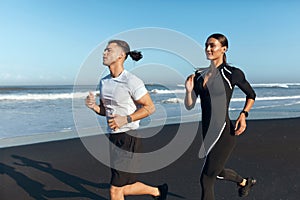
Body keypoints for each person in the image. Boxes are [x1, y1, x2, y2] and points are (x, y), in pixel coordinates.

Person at [85, 40, 168, 200]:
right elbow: (106, 111)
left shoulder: (131, 81)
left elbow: (150, 107)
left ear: (121, 56)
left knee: (115, 190)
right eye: (104, 50)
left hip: (129, 138)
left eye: (109, 50)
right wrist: (94, 107)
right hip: (113, 138)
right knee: (123, 188)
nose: (104, 53)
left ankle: (158, 192)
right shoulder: (104, 82)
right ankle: (157, 191)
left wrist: (127, 119)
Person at [185, 33, 257, 199]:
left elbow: (251, 94)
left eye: (212, 45)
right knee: (217, 172)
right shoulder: (198, 75)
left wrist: (243, 115)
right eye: (206, 45)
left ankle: (245, 182)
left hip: (224, 132)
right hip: (206, 132)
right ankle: (245, 182)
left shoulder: (232, 73)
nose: (208, 49)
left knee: (206, 178)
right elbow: (189, 105)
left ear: (224, 49)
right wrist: (188, 90)